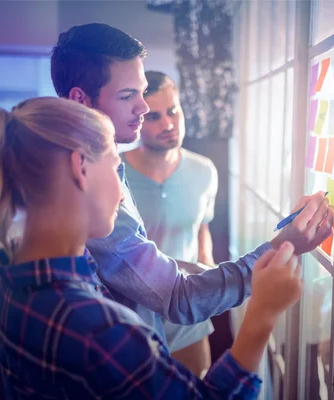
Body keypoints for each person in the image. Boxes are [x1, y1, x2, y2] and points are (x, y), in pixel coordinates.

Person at [0, 96, 304, 398]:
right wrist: (263, 314)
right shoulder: (103, 332)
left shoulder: (8, 280)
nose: (123, 192)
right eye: (115, 167)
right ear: (80, 168)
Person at [50, 22, 334, 347]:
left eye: (142, 92)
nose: (143, 108)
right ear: (81, 99)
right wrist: (284, 246)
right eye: (128, 95)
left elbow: (152, 262)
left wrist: (205, 269)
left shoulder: (111, 165)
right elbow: (177, 297)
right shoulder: (85, 184)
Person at [122, 71, 217, 376]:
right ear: (137, 120)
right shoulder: (114, 173)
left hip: (188, 309)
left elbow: (202, 227)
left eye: (173, 111)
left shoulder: (205, 171)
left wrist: (207, 265)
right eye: (154, 117)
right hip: (132, 315)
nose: (168, 124)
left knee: (197, 387)